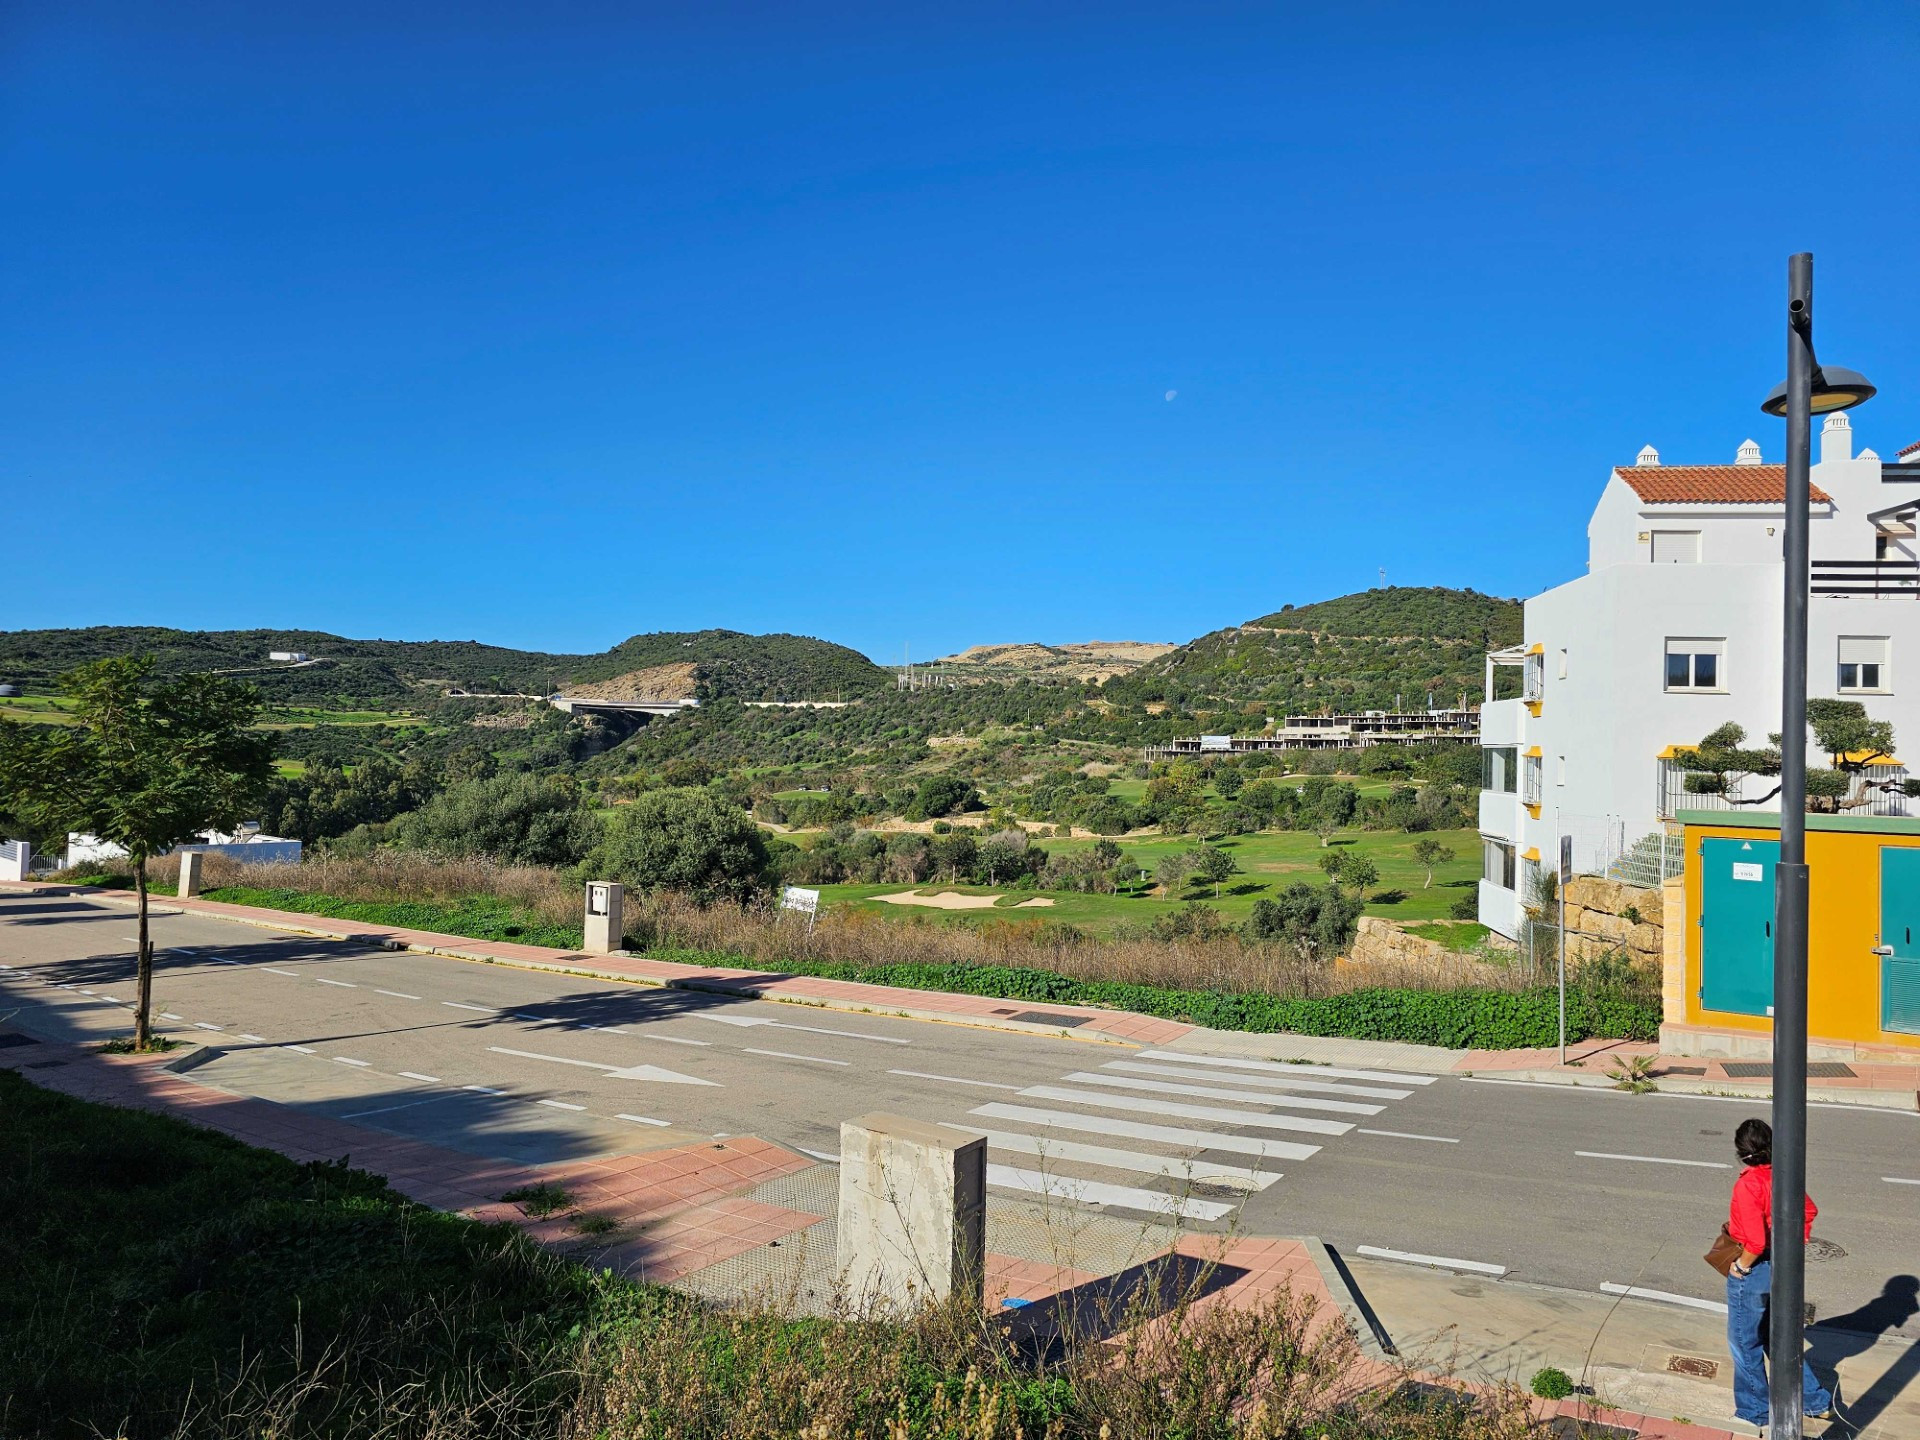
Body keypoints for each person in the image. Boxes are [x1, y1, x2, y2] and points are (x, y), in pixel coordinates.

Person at [1725, 1117, 1835, 1430]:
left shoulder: (1748, 1184)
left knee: (1744, 1342)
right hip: (1780, 1264)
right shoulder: (1783, 1175)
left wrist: (1741, 1266)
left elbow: (1756, 1241)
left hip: (1754, 1269)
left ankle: (1755, 1410)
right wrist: (1792, 1242)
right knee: (1778, 1338)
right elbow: (1809, 1210)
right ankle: (1815, 1401)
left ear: (1740, 1151)